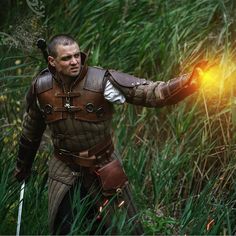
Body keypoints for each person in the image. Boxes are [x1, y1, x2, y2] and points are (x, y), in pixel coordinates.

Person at [14, 34, 206, 235]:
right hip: (63, 170)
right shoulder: (41, 88)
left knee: (123, 229)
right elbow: (31, 130)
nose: (74, 61)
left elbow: (152, 92)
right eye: (66, 58)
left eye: (77, 55)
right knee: (64, 230)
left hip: (103, 166)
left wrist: (188, 82)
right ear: (52, 61)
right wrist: (23, 165)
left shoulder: (102, 81)